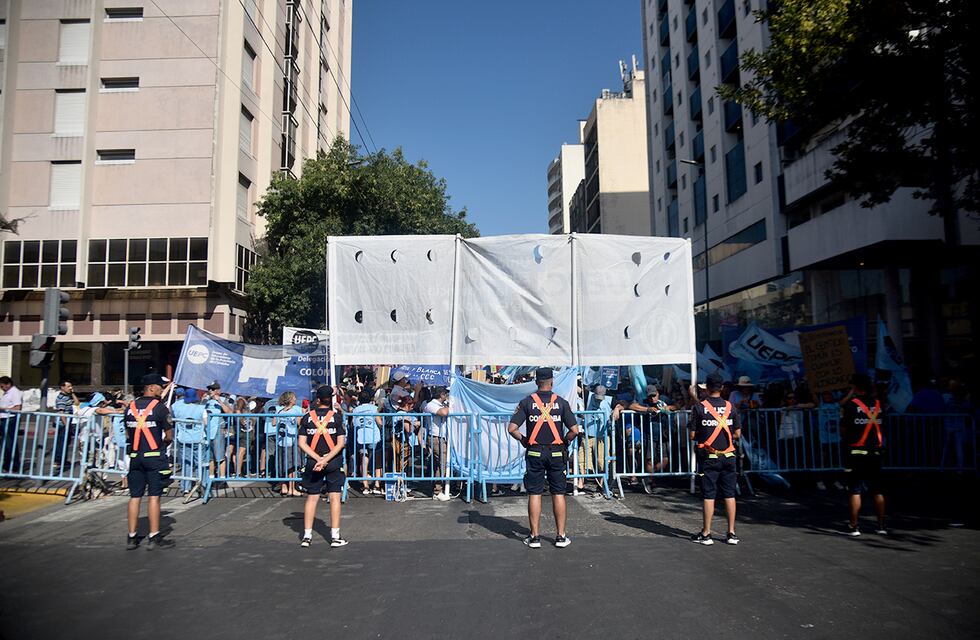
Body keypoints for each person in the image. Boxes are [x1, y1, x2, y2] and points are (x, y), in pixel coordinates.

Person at [507, 367, 580, 549]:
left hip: (534, 452)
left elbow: (511, 429)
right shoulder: (562, 403)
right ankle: (561, 536)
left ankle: (534, 537)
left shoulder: (527, 402)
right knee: (558, 493)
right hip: (556, 452)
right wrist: (564, 441)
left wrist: (525, 440)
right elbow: (575, 431)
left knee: (535, 493)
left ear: (536, 382)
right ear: (552, 382)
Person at [689, 373, 741, 546]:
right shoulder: (730, 406)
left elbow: (692, 435)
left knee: (709, 495)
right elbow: (737, 434)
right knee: (729, 494)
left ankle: (706, 534)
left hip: (710, 457)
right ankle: (731, 533)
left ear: (708, 388)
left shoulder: (699, 407)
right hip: (729, 456)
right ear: (721, 388)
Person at [125, 374, 175, 550]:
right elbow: (169, 435)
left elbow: (127, 434)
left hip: (135, 457)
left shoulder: (129, 407)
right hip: (154, 457)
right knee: (154, 496)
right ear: (151, 388)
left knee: (135, 497)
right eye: (160, 386)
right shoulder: (160, 408)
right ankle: (154, 536)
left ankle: (131, 537)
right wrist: (163, 444)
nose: (162, 389)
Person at [298, 385, 348, 548]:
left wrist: (318, 459)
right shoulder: (337, 417)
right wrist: (326, 458)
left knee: (312, 498)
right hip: (332, 460)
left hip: (314, 461)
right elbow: (340, 443)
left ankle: (307, 536)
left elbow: (302, 443)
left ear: (317, 399)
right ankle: (335, 536)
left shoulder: (307, 418)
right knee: (334, 497)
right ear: (331, 400)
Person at [839, 373, 886, 536]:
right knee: (877, 490)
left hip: (857, 452)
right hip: (875, 452)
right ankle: (881, 525)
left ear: (854, 387)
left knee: (855, 490)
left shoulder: (851, 405)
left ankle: (854, 526)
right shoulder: (879, 404)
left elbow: (843, 430)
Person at [171, 388, 208, 496]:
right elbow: (205, 423)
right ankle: (202, 484)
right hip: (198, 438)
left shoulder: (176, 407)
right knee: (200, 463)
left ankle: (185, 487)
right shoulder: (201, 408)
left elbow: (172, 418)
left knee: (186, 463)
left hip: (183, 437)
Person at [576, 384, 610, 495]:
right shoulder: (588, 396)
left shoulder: (609, 400)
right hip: (588, 433)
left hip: (602, 435)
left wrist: (617, 410)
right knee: (583, 458)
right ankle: (581, 481)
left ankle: (601, 483)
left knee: (602, 460)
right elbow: (578, 389)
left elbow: (622, 404)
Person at [270, 391, 304, 496]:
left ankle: (284, 487)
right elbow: (299, 423)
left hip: (282, 441)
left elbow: (274, 423)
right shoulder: (295, 409)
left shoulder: (280, 410)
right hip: (290, 441)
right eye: (294, 397)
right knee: (291, 465)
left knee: (284, 464)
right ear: (290, 399)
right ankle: (291, 489)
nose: (295, 399)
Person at [351, 391, 384, 495]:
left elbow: (353, 424)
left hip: (361, 436)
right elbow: (379, 422)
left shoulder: (356, 410)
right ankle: (377, 485)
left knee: (363, 461)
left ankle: (365, 486)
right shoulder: (374, 408)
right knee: (377, 461)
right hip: (374, 436)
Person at [425, 386, 452, 500]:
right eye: (446, 393)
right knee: (443, 463)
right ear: (441, 394)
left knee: (441, 464)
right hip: (436, 437)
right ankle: (437, 491)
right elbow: (444, 412)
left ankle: (440, 489)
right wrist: (451, 405)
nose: (447, 395)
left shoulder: (440, 404)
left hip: (441, 437)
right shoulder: (431, 405)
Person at [53, 380, 79, 470]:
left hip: (69, 422)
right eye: (68, 386)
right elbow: (62, 413)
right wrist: (66, 425)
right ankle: (59, 461)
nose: (70, 388)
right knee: (61, 442)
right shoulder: (61, 398)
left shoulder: (68, 396)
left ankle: (63, 460)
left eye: (71, 386)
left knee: (66, 442)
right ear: (62, 387)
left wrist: (72, 393)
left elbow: (77, 403)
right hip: (62, 424)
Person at [0, 376, 23, 472]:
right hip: (5, 419)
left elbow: (17, 407)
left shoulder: (14, 392)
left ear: (8, 384)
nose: (1, 388)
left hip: (10, 419)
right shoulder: (7, 393)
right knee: (5, 443)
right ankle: (7, 464)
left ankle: (13, 465)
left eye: (2, 386)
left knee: (9, 443)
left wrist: (2, 409)